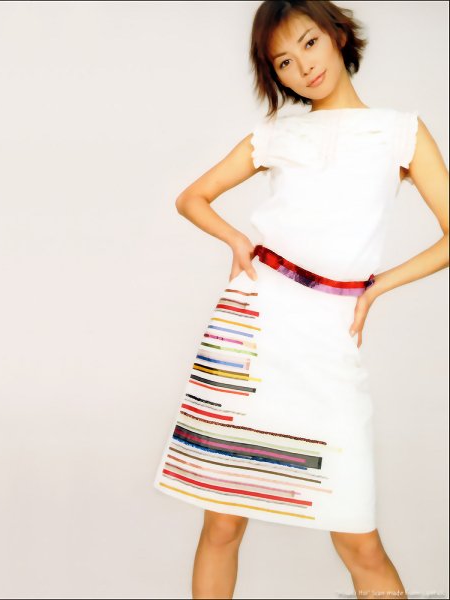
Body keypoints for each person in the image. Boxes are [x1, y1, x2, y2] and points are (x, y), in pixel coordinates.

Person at [151, 1, 449, 598]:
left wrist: (379, 286)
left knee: (360, 541)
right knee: (223, 522)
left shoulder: (400, 131)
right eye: (283, 61)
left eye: (309, 43)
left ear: (337, 35)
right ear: (275, 74)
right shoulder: (275, 135)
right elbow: (191, 198)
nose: (303, 66)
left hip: (328, 342)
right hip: (252, 330)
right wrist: (238, 240)